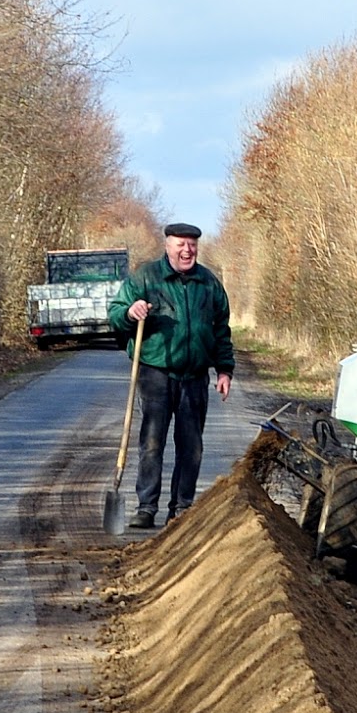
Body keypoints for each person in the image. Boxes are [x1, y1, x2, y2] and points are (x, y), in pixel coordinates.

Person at [107, 222, 235, 529]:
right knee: (152, 443)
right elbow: (115, 314)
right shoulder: (146, 277)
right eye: (181, 244)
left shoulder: (209, 283)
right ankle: (146, 507)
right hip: (156, 372)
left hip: (195, 376)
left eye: (192, 245)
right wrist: (130, 313)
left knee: (191, 447)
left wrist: (224, 369)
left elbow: (221, 330)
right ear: (168, 246)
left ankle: (181, 508)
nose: (187, 250)